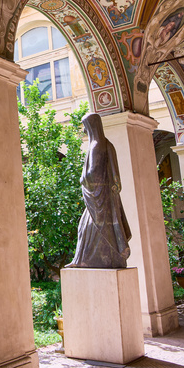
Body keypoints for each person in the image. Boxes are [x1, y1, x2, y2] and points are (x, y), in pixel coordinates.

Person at [67, 113, 132, 269]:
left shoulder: (95, 145)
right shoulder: (107, 144)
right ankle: (108, 257)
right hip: (105, 196)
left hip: (98, 196)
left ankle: (83, 260)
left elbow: (92, 173)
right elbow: (115, 174)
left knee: (87, 228)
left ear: (91, 127)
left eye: (85, 126)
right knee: (94, 227)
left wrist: (82, 179)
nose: (84, 130)